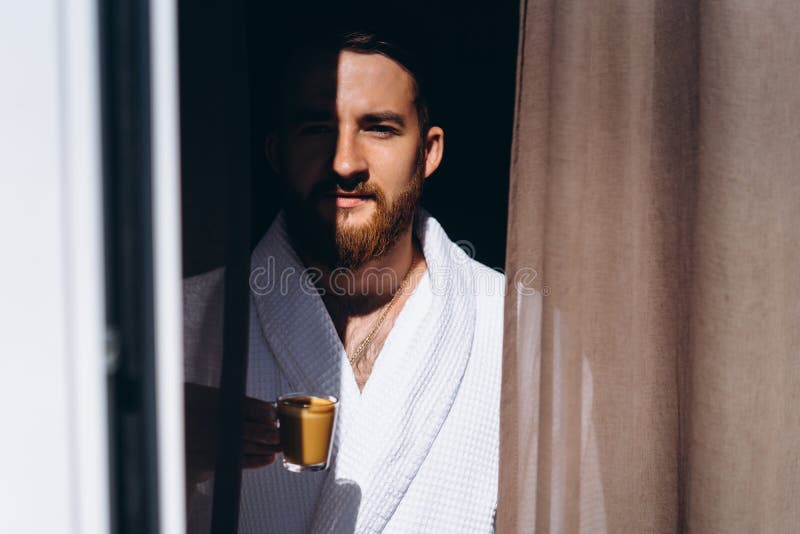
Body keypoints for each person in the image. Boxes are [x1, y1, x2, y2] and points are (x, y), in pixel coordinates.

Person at [183, 30, 504, 533]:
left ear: (428, 152)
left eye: (379, 128)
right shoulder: (181, 327)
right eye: (317, 128)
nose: (344, 162)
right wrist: (149, 450)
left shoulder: (511, 326)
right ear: (276, 152)